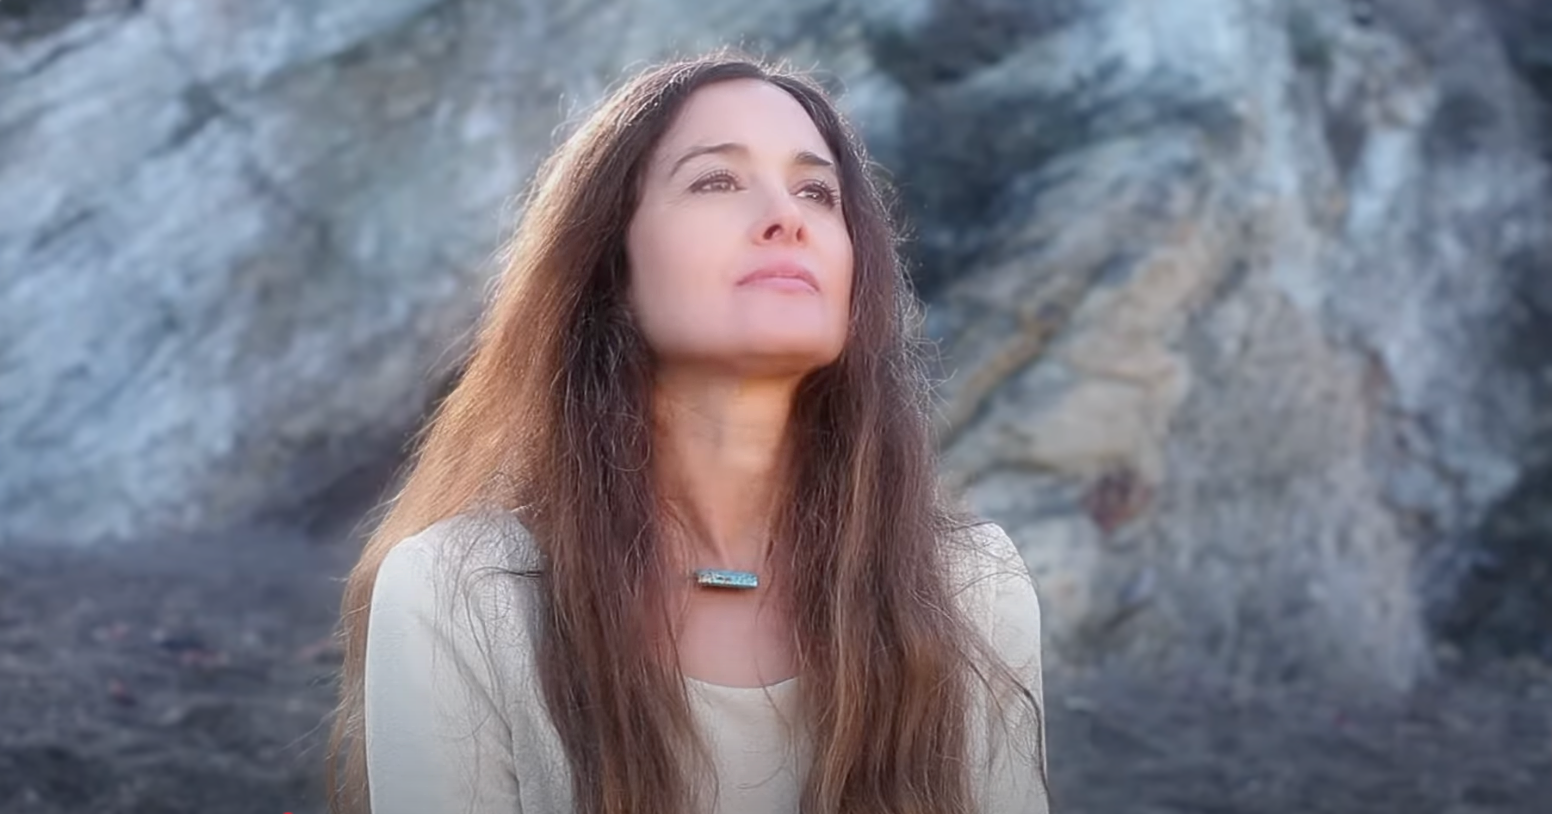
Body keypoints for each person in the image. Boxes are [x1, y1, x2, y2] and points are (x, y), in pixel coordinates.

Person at [326, 51, 1049, 814]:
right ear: (610, 267)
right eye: (716, 181)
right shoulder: (461, 594)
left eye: (816, 191)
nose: (787, 217)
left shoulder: (971, 589)